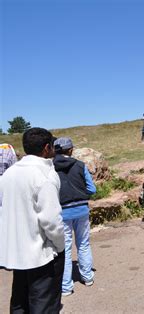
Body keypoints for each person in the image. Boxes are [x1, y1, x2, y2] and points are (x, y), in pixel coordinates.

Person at [0, 127, 65, 313]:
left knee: (20, 302)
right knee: (43, 304)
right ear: (46, 148)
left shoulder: (9, 174)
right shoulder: (44, 176)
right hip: (41, 254)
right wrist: (60, 246)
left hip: (16, 252)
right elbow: (51, 221)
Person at [53, 137, 96, 297]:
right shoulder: (80, 165)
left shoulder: (51, 167)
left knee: (65, 248)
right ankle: (87, 277)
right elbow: (92, 189)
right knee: (83, 243)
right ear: (71, 150)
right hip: (81, 210)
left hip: (61, 212)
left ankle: (66, 286)